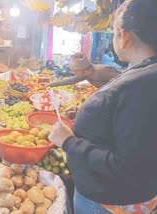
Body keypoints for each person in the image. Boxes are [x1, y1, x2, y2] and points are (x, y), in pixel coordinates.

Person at [49, 0, 157, 213]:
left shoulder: (144, 84)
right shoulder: (142, 73)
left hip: (107, 201)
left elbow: (127, 165)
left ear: (124, 36)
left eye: (114, 31)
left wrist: (68, 142)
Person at [49, 52, 120, 88]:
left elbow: (123, 78)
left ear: (83, 70)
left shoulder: (101, 71)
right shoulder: (85, 74)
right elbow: (71, 80)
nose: (74, 73)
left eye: (75, 71)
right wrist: (50, 85)